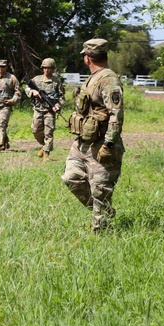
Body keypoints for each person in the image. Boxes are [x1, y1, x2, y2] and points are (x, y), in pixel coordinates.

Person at [62, 39, 124, 233]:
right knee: (71, 177)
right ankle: (103, 211)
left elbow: (116, 114)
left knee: (100, 190)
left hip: (101, 144)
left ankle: (102, 232)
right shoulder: (93, 78)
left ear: (87, 58)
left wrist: (109, 144)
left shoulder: (109, 80)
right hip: (82, 142)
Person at [27, 58, 66, 161]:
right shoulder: (36, 79)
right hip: (38, 109)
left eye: (49, 68)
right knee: (35, 130)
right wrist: (33, 92)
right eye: (45, 68)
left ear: (53, 69)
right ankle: (44, 146)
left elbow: (62, 97)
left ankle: (46, 154)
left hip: (50, 110)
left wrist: (58, 105)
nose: (46, 70)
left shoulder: (56, 81)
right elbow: (27, 88)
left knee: (49, 132)